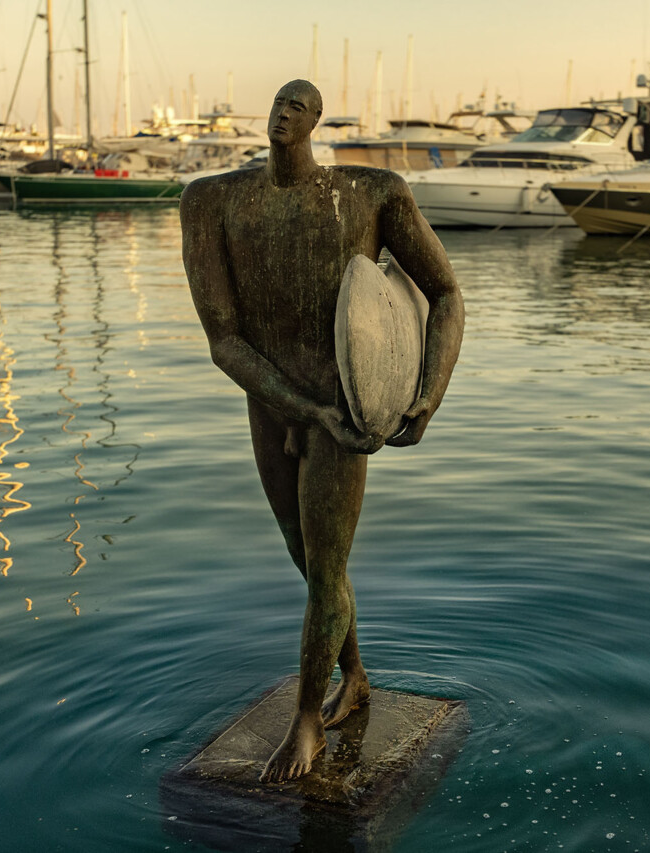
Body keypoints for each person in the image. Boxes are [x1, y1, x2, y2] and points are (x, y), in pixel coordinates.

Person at [180, 79, 464, 783]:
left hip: (346, 409)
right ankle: (357, 675)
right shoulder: (213, 200)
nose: (282, 115)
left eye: (297, 107)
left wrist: (426, 392)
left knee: (327, 566)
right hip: (275, 403)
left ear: (315, 121)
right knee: (306, 559)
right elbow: (223, 338)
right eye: (277, 103)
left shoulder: (372, 192)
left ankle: (307, 714)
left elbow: (447, 294)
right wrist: (296, 407)